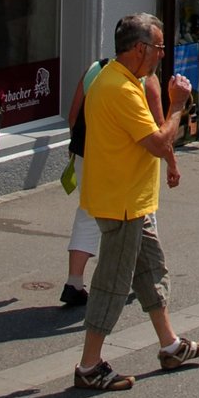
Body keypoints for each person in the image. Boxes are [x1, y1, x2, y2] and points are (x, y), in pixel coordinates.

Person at [72, 13, 199, 392]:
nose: (162, 54)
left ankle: (170, 345)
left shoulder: (115, 80)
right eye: (159, 47)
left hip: (132, 200)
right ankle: (89, 366)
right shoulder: (122, 89)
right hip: (123, 204)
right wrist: (177, 104)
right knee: (112, 284)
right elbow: (159, 141)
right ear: (140, 49)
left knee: (151, 272)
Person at [60, 53, 165, 309]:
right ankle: (146, 283)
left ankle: (74, 282)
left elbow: (73, 116)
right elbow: (160, 129)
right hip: (126, 162)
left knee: (87, 213)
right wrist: (172, 163)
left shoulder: (95, 69)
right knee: (139, 215)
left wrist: (80, 151)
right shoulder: (147, 80)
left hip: (88, 155)